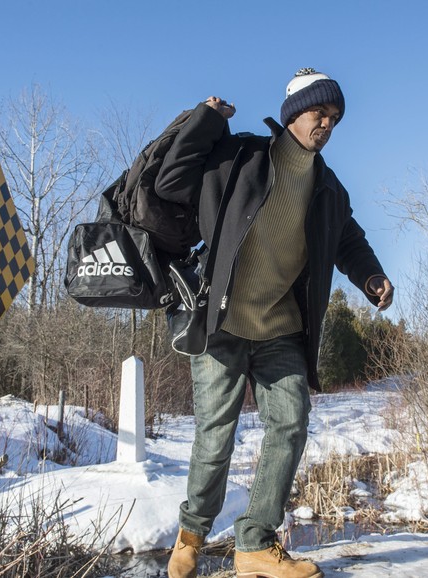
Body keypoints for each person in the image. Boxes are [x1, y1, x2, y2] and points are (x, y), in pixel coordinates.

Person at [157, 68, 394, 578]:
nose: (326, 124)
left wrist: (372, 277)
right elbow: (172, 180)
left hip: (281, 326)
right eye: (318, 113)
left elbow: (348, 241)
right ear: (292, 116)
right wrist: (203, 123)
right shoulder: (241, 156)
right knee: (215, 435)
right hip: (222, 322)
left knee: (289, 423)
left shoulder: (329, 187)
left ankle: (254, 545)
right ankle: (191, 535)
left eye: (334, 118)